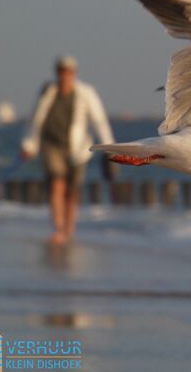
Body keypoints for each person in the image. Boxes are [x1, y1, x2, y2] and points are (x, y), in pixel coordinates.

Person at [21, 56, 114, 244]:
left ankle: (69, 228)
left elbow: (99, 121)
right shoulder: (48, 91)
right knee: (56, 183)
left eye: (68, 72)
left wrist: (108, 147)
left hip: (79, 148)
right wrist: (29, 144)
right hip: (52, 145)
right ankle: (58, 228)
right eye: (61, 72)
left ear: (74, 73)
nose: (64, 76)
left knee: (72, 190)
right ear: (57, 73)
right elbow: (35, 119)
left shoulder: (86, 92)